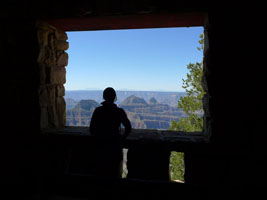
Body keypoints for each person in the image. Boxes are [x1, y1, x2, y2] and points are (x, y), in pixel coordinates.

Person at [90, 87, 131, 178]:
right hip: (115, 147)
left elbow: (92, 129)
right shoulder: (119, 112)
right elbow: (128, 128)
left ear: (104, 97)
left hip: (100, 147)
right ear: (114, 97)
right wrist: (122, 138)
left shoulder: (98, 111)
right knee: (115, 174)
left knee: (100, 174)